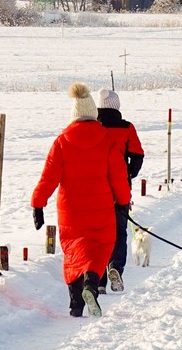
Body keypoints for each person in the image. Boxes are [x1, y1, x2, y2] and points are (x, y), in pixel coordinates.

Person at [32, 82, 130, 317]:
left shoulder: (61, 142)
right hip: (101, 210)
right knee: (100, 248)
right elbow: (119, 178)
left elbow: (48, 178)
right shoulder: (107, 141)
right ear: (93, 113)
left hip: (70, 211)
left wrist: (38, 203)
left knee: (75, 251)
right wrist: (123, 202)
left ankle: (76, 304)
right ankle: (91, 282)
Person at [96, 87, 144, 292]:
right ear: (117, 106)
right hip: (120, 189)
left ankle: (97, 280)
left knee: (97, 234)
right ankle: (115, 267)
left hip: (95, 188)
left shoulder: (91, 127)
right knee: (118, 231)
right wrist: (129, 174)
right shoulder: (126, 127)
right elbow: (138, 154)